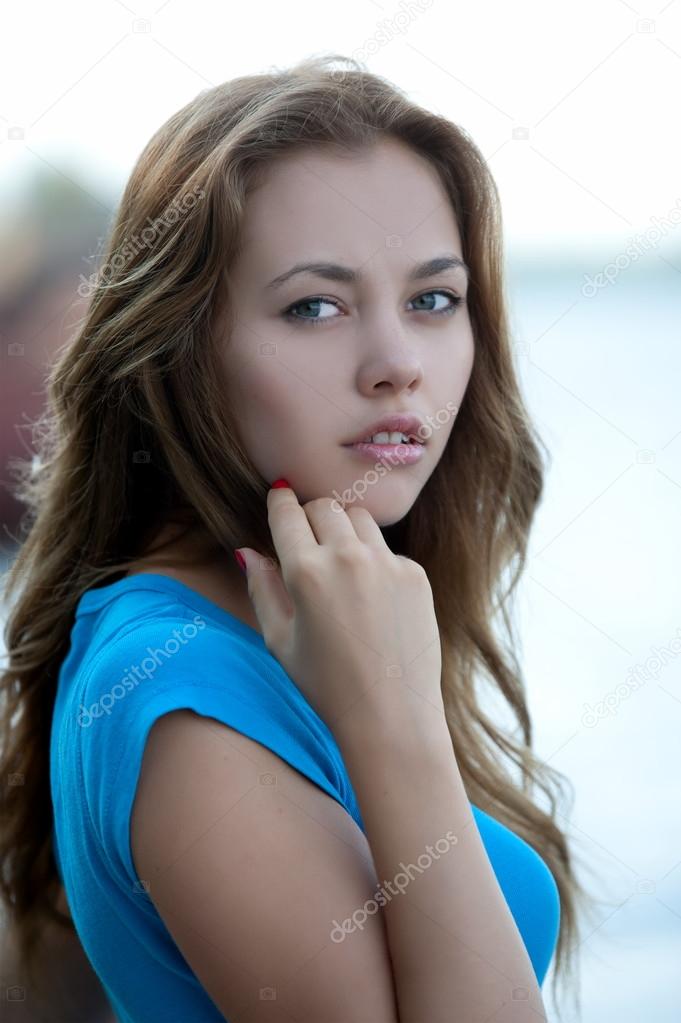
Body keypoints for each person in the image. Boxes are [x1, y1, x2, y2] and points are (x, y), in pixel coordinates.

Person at [0, 53, 596, 1023]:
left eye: (434, 299)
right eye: (314, 306)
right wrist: (392, 726)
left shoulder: (315, 615)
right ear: (179, 352)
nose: (399, 364)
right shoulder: (178, 698)